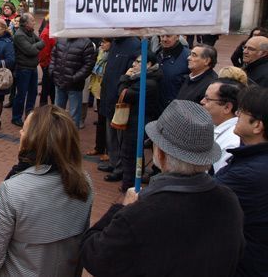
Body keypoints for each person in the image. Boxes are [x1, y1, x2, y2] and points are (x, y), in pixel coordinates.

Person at [81, 100, 245, 277]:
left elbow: (94, 255)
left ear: (160, 154)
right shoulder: (229, 200)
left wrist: (121, 208)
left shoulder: (140, 213)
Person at [0, 105, 92, 276]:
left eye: (24, 130)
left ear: (34, 140)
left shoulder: (12, 190)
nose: (20, 133)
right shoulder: (85, 183)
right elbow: (79, 248)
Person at [215, 86, 268, 277]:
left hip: (247, 263)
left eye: (243, 112)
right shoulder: (251, 160)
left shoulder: (248, 174)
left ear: (257, 126)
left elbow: (203, 198)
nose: (237, 114)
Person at [113, 52, 162, 191]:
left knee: (130, 154)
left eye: (138, 62)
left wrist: (125, 78)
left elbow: (124, 95)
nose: (134, 64)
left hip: (138, 121)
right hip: (135, 118)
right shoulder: (143, 78)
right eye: (134, 61)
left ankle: (129, 184)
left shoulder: (147, 82)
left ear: (149, 64)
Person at [98, 36, 140, 180]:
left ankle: (121, 168)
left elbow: (133, 73)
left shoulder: (134, 44)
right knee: (111, 135)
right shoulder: (115, 43)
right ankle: (113, 162)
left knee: (121, 136)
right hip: (108, 96)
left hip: (120, 99)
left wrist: (122, 92)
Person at [49, 36, 96, 127]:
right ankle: (57, 137)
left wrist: (74, 78)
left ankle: (71, 139)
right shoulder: (61, 39)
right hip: (59, 82)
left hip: (74, 86)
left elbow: (88, 65)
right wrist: (52, 71)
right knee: (57, 114)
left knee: (74, 116)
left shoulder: (86, 43)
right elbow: (53, 56)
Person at [200, 78, 243, 174]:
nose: (202, 101)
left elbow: (220, 184)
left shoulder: (231, 144)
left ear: (227, 107)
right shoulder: (215, 126)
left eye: (207, 99)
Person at [11, 13, 45, 128]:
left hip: (32, 68)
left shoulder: (30, 32)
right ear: (26, 24)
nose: (34, 23)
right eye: (32, 21)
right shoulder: (19, 35)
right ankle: (16, 117)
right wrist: (36, 47)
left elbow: (42, 42)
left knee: (33, 93)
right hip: (23, 69)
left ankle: (29, 115)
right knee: (21, 94)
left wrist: (35, 47)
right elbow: (30, 51)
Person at [87, 38, 111, 160]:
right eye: (102, 42)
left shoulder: (112, 57)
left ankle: (108, 150)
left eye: (105, 42)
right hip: (98, 90)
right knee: (100, 121)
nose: (102, 44)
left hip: (107, 91)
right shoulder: (101, 53)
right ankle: (98, 147)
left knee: (107, 122)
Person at [156, 34, 190, 109]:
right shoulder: (158, 53)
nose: (164, 39)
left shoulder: (188, 57)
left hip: (176, 108)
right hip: (157, 107)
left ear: (177, 37)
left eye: (168, 36)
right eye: (162, 36)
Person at [38, 22, 56, 106]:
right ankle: (44, 106)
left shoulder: (51, 32)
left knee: (51, 86)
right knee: (46, 86)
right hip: (48, 64)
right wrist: (45, 65)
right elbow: (44, 52)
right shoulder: (46, 33)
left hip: (51, 63)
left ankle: (52, 105)